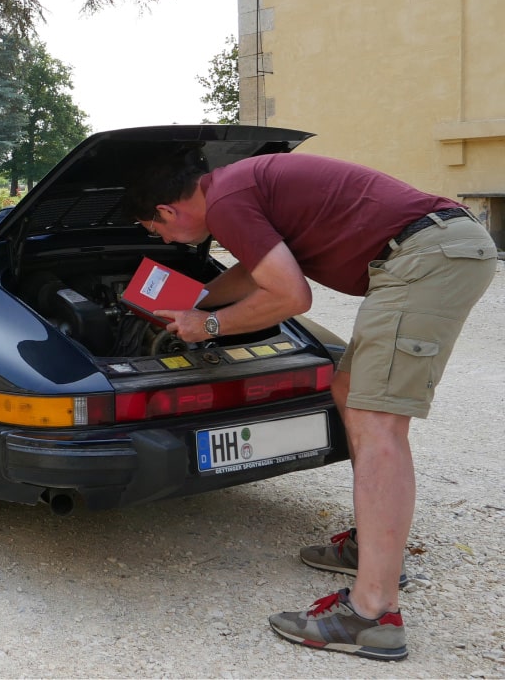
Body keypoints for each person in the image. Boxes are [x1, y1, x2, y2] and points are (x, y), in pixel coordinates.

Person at [126, 150, 497, 661]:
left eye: (156, 229)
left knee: (377, 422)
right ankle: (371, 548)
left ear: (167, 211)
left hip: (423, 257)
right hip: (431, 248)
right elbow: (257, 271)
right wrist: (200, 300)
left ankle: (371, 614)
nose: (163, 241)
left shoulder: (228, 202)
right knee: (351, 393)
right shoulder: (234, 190)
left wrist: (207, 325)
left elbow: (292, 296)